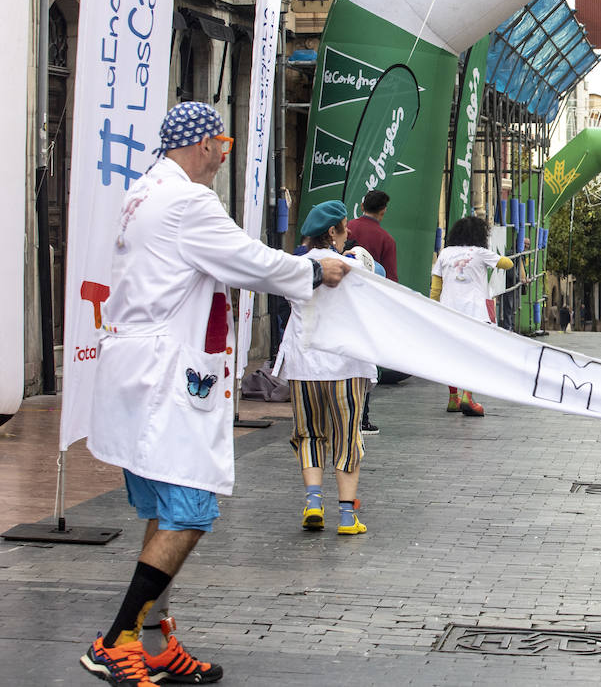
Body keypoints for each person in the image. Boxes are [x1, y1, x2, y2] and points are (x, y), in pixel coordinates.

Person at [81, 102, 348, 686]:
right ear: (205, 144)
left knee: (163, 510)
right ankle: (117, 639)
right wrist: (312, 272)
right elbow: (248, 261)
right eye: (223, 143)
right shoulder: (188, 202)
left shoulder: (142, 194)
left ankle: (155, 641)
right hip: (165, 376)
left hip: (138, 369)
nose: (225, 155)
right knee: (192, 508)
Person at [277, 201, 375, 536]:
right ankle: (347, 517)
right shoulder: (353, 266)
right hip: (345, 366)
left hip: (303, 366)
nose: (347, 235)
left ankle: (314, 501)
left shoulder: (294, 266)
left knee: (308, 434)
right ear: (332, 232)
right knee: (347, 437)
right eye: (344, 228)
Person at [432, 215, 514, 415]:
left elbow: (436, 287)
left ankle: (453, 398)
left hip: (448, 310)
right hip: (475, 312)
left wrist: (434, 308)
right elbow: (507, 264)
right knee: (474, 353)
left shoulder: (445, 253)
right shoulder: (481, 253)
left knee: (450, 354)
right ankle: (468, 396)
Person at [345, 190, 395, 435]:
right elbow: (391, 280)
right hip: (370, 305)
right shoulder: (386, 239)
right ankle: (362, 416)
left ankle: (343, 411)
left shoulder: (348, 228)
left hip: (343, 301)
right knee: (367, 361)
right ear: (383, 210)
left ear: (362, 204)